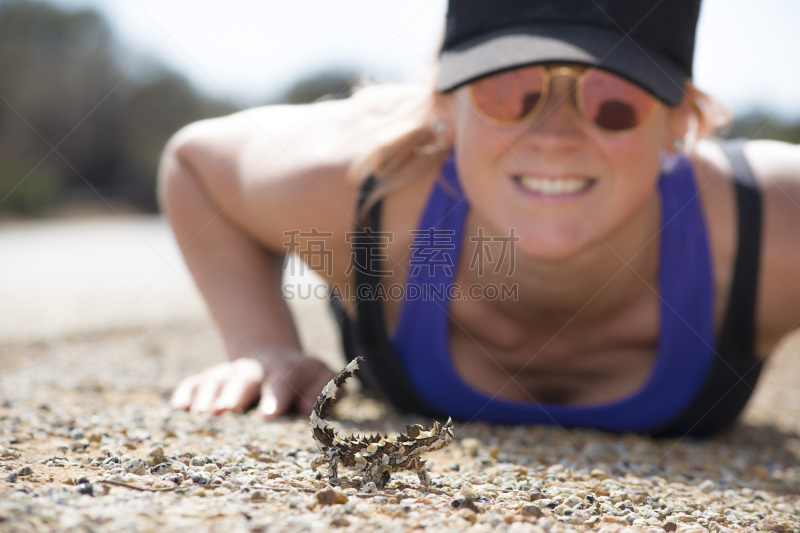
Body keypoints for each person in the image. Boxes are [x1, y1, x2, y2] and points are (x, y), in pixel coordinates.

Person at [158, 0, 800, 437]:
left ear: (681, 123)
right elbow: (195, 164)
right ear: (446, 104)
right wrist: (260, 344)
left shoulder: (767, 230)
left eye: (611, 100)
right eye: (506, 93)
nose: (553, 136)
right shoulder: (360, 189)